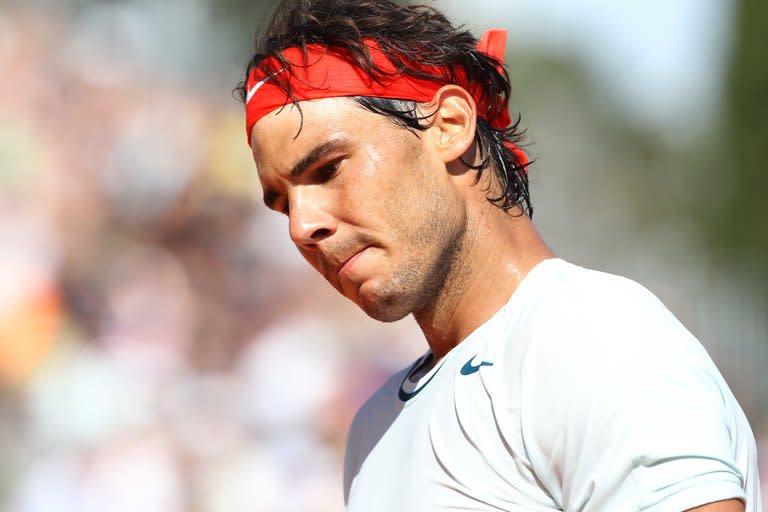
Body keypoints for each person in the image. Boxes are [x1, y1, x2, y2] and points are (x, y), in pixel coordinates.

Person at [237, 0, 761, 510]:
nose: (303, 227)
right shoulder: (372, 428)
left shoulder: (591, 336)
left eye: (327, 169)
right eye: (283, 204)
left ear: (447, 125)